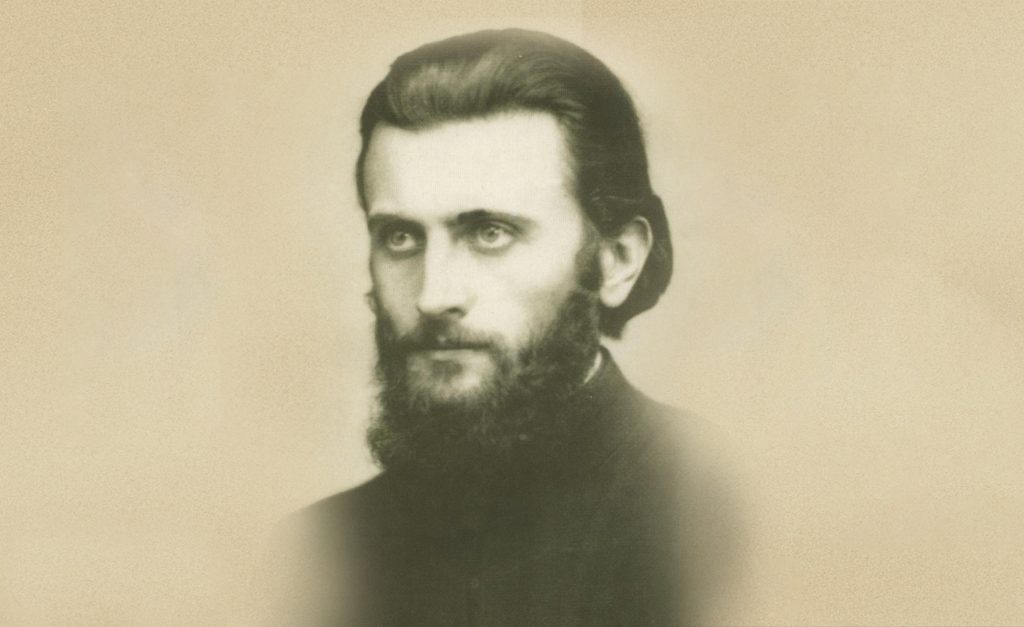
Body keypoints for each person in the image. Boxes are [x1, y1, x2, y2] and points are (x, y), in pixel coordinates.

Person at [267, 28, 737, 626]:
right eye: (401, 237)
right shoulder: (314, 557)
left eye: (490, 233)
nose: (434, 296)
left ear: (617, 259)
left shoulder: (720, 523)